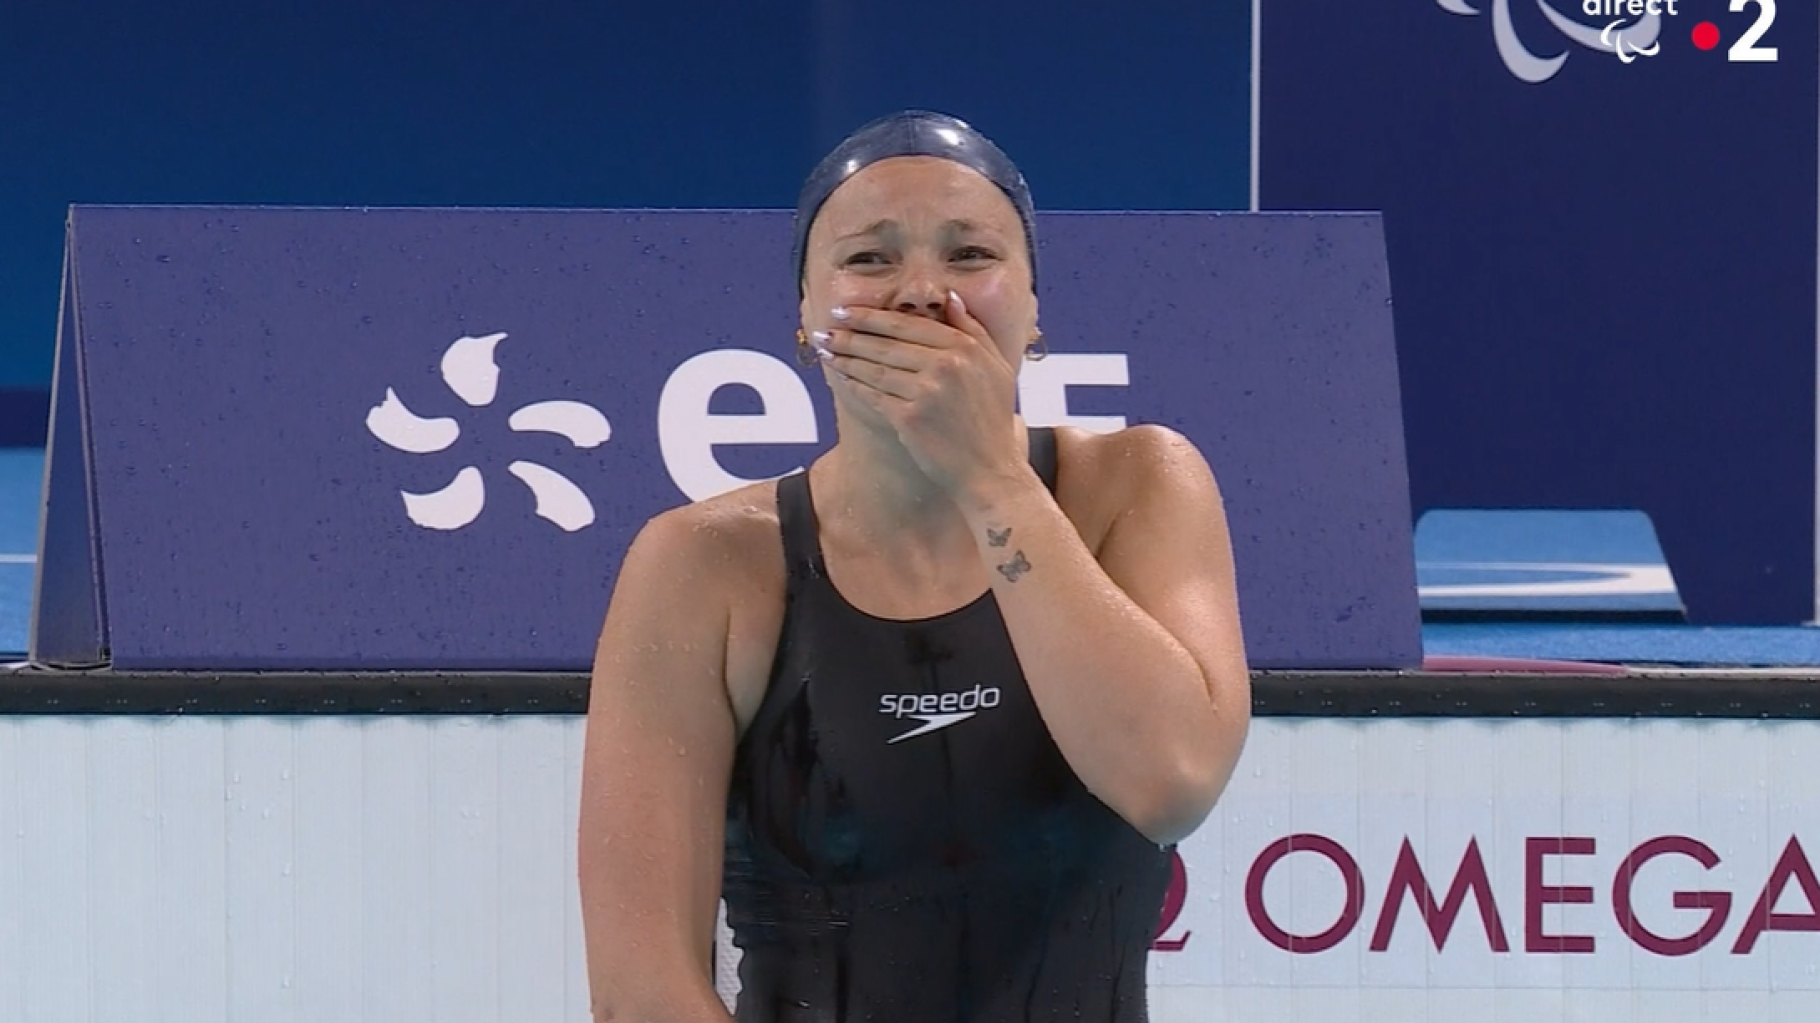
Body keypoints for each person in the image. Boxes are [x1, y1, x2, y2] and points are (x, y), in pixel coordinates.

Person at [578, 110, 1251, 1023]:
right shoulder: (705, 565)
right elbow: (640, 992)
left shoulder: (1137, 487)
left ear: (1036, 312)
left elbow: (1169, 782)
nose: (925, 292)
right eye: (868, 259)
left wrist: (987, 474)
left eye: (971, 254)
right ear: (805, 320)